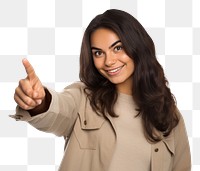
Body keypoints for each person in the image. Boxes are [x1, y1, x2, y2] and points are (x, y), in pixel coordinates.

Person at [11, 9, 191, 171]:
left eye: (118, 48)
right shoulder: (83, 99)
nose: (108, 61)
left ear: (138, 47)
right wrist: (39, 102)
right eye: (98, 53)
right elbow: (58, 111)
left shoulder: (169, 116)